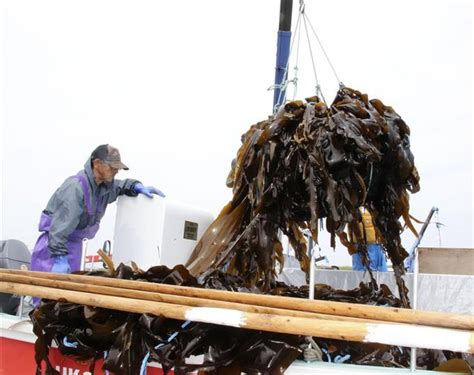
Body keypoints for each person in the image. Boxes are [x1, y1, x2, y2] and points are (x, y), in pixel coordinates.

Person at [30, 144, 165, 275]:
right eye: (112, 167)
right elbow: (58, 229)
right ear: (97, 163)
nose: (116, 171)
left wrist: (136, 186)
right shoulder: (75, 188)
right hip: (53, 250)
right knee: (47, 294)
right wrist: (59, 258)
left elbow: (120, 186)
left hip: (75, 248)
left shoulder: (104, 188)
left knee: (67, 295)